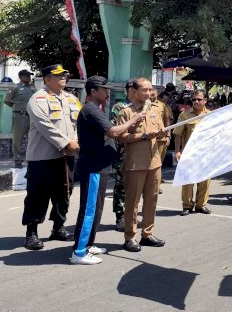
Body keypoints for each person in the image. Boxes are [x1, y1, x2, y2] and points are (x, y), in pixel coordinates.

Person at [70, 76, 144, 265]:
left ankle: (88, 243)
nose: (107, 92)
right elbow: (113, 132)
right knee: (89, 208)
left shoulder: (96, 109)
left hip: (100, 166)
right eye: (104, 89)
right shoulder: (90, 110)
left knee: (97, 207)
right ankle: (79, 252)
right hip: (94, 167)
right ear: (93, 91)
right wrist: (134, 119)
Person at [22, 64, 82, 250]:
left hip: (66, 157)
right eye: (58, 75)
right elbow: (44, 125)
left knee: (64, 193)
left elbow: (79, 124)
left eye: (64, 74)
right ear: (47, 79)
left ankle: (58, 227)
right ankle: (31, 232)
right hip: (42, 156)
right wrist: (65, 142)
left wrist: (77, 142)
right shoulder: (38, 98)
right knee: (37, 195)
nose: (63, 77)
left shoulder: (72, 99)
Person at [116, 77, 169, 252]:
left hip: (154, 163)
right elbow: (121, 137)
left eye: (150, 89)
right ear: (134, 91)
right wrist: (145, 136)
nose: (149, 93)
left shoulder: (155, 110)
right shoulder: (127, 112)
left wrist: (162, 134)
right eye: (144, 90)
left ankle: (147, 234)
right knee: (132, 202)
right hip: (135, 164)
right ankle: (130, 237)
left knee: (152, 200)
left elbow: (160, 134)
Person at [175, 90, 212, 215]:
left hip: (206, 154)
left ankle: (201, 205)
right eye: (194, 99)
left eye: (199, 99)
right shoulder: (184, 115)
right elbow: (178, 134)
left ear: (205, 100)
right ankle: (187, 205)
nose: (196, 101)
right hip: (189, 154)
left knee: (204, 181)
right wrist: (177, 151)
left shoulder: (212, 115)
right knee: (187, 181)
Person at [110, 80, 133, 232]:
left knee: (135, 186)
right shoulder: (119, 107)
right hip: (123, 152)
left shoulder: (146, 107)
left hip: (139, 153)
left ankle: (131, 214)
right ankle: (120, 216)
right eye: (131, 89)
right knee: (121, 186)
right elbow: (115, 129)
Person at [4, 69, 36, 168]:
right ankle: (17, 159)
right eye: (27, 76)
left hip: (31, 116)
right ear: (21, 77)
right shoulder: (15, 87)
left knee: (32, 138)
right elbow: (7, 101)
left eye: (30, 76)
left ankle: (31, 158)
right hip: (20, 116)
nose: (29, 78)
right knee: (18, 138)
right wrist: (17, 108)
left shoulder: (33, 88)